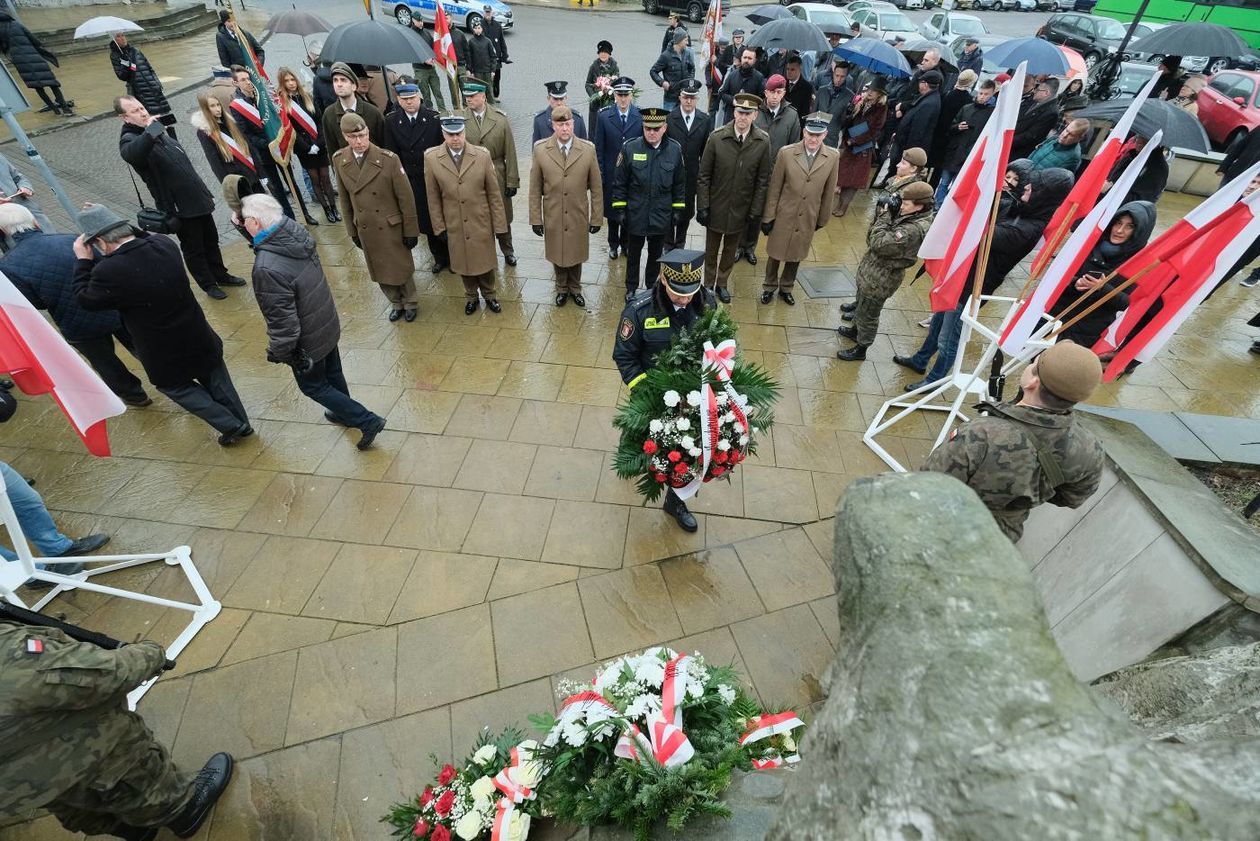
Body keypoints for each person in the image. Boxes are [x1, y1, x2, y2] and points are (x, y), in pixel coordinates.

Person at [0, 605, 233, 841]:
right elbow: (105, 675)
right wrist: (150, 654)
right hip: (68, 753)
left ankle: (133, 830)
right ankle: (182, 810)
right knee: (121, 765)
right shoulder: (10, 651)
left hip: (14, 785)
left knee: (65, 801)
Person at [72, 204, 252, 445]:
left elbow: (85, 299)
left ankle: (231, 424)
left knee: (176, 388)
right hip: (197, 333)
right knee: (217, 378)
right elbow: (143, 236)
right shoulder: (163, 244)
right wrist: (108, 217)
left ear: (101, 243)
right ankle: (244, 424)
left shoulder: (108, 271)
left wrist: (83, 261)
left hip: (162, 349)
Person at [897, 167, 1075, 390]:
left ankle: (935, 381)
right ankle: (920, 360)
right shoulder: (1020, 207)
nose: (1027, 186)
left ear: (1044, 195)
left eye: (1035, 186)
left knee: (949, 337)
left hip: (974, 285)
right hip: (962, 276)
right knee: (938, 322)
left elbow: (980, 235)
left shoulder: (1029, 228)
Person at [240, 193, 387, 450]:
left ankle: (366, 420)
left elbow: (282, 321)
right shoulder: (293, 233)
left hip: (306, 341)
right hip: (325, 322)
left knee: (314, 386)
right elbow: (265, 241)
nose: (243, 224)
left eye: (245, 220)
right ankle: (344, 412)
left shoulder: (265, 269)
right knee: (333, 372)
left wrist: (281, 352)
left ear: (255, 222)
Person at [922, 341, 1106, 543]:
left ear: (1032, 382)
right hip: (1001, 539)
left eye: (1033, 363)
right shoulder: (1091, 449)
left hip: (945, 528)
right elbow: (1071, 498)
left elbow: (926, 485)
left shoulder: (981, 434)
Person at [0, 205, 151, 408]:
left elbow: (33, 303)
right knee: (141, 345)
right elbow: (103, 266)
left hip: (76, 325)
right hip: (111, 308)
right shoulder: (72, 239)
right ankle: (170, 376)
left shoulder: (8, 266)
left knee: (106, 363)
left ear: (3, 231)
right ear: (35, 222)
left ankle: (136, 396)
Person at [612, 249, 716, 533]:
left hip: (690, 397)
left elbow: (715, 345)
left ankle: (675, 500)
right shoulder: (639, 310)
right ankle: (630, 454)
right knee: (637, 433)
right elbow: (624, 356)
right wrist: (646, 392)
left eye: (690, 292)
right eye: (678, 292)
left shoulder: (707, 304)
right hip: (650, 391)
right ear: (663, 279)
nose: (684, 299)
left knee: (684, 452)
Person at [116, 95, 244, 301]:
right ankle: (208, 284)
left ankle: (221, 274)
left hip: (196, 198)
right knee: (194, 249)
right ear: (124, 118)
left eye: (142, 107)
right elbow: (133, 154)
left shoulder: (155, 130)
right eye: (135, 111)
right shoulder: (129, 139)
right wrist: (150, 130)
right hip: (179, 206)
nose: (142, 112)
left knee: (211, 240)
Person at [332, 113, 421, 322]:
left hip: (390, 225)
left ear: (368, 132)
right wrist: (351, 231)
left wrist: (411, 230)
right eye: (354, 137)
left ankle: (410, 301)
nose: (360, 141)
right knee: (379, 267)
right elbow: (345, 200)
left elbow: (406, 198)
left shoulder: (388, 159)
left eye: (363, 135)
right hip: (366, 226)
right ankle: (395, 302)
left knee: (400, 265)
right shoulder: (340, 160)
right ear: (345, 136)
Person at [836, 180, 936, 361]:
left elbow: (877, 243)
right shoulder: (910, 215)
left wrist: (885, 216)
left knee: (869, 314)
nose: (902, 206)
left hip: (882, 278)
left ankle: (861, 348)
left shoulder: (912, 230)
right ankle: (855, 331)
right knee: (862, 304)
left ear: (919, 206)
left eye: (906, 204)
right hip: (873, 271)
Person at [426, 113, 507, 315]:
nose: (455, 139)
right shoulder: (432, 158)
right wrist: (439, 226)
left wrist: (498, 225)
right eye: (450, 134)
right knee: (463, 263)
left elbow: (494, 194)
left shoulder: (482, 155)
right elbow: (433, 197)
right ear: (443, 134)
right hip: (454, 223)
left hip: (480, 220)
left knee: (485, 262)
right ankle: (471, 296)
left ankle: (490, 295)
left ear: (464, 133)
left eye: (459, 134)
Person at [696, 92, 771, 303]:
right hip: (716, 206)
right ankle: (708, 284)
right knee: (711, 250)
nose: (743, 117)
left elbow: (763, 180)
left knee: (730, 250)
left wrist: (756, 210)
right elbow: (704, 175)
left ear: (755, 115)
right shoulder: (717, 137)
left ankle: (722, 283)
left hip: (741, 208)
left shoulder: (762, 142)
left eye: (748, 113)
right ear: (734, 112)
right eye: (740, 112)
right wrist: (702, 205)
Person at [1050, 201, 1156, 349]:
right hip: (1056, 317)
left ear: (1139, 231)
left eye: (1129, 226)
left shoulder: (1141, 263)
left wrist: (1103, 289)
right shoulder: (1088, 243)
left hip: (1088, 329)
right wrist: (1076, 282)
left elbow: (1131, 303)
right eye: (1118, 223)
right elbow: (1056, 276)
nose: (1119, 230)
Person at [761, 113, 839, 305]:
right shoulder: (786, 153)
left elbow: (829, 191)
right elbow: (775, 187)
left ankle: (787, 286)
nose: (813, 139)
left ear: (825, 135)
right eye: (810, 134)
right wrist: (769, 216)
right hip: (784, 213)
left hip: (809, 215)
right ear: (804, 132)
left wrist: (822, 218)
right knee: (775, 252)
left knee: (796, 253)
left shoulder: (833, 156)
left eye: (818, 135)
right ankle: (769, 286)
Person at [529, 105, 603, 308]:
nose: (565, 129)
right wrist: (536, 218)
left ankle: (576, 288)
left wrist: (596, 218)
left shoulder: (587, 150)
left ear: (574, 124)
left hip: (578, 212)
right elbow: (535, 187)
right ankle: (562, 288)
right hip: (553, 212)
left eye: (568, 124)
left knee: (576, 252)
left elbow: (596, 187)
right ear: (553, 125)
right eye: (560, 125)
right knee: (557, 251)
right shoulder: (541, 149)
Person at [612, 107, 687, 302]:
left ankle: (651, 287)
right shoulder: (630, 148)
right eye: (647, 128)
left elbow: (679, 183)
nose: (651, 133)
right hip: (636, 213)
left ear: (664, 128)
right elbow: (620, 182)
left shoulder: (674, 150)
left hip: (661, 214)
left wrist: (678, 209)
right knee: (633, 254)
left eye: (656, 128)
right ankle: (631, 288)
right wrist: (619, 209)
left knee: (655, 255)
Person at [229, 65, 314, 225]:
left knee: (292, 183)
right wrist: (268, 144)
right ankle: (291, 219)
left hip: (280, 148)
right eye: (243, 80)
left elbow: (278, 116)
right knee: (278, 189)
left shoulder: (262, 96)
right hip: (264, 154)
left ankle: (305, 214)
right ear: (236, 83)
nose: (248, 82)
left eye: (248, 78)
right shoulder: (237, 106)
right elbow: (246, 134)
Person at [384, 78, 447, 274]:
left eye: (412, 97)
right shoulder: (392, 121)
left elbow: (441, 151)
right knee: (426, 222)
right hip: (411, 181)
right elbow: (391, 153)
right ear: (398, 100)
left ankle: (451, 257)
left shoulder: (434, 118)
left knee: (440, 218)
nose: (409, 102)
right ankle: (439, 258)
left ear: (419, 95)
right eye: (405, 99)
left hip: (432, 178)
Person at [743, 76, 801, 266]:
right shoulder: (755, 112)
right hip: (751, 171)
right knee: (744, 209)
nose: (775, 96)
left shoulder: (792, 116)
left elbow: (794, 148)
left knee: (760, 212)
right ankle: (738, 245)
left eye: (779, 92)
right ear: (765, 92)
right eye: (771, 92)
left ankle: (750, 246)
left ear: (784, 93)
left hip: (775, 174)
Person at [461, 77, 519, 266]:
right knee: (479, 217)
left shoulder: (500, 120)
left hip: (497, 174)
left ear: (483, 96)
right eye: (466, 96)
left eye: (473, 95)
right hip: (472, 176)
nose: (469, 99)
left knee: (502, 216)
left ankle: (508, 250)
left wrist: (512, 181)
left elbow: (510, 151)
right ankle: (486, 252)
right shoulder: (461, 120)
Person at [275, 67, 336, 223]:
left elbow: (319, 120)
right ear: (282, 83)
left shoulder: (307, 97)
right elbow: (290, 130)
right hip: (304, 149)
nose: (291, 83)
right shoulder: (283, 105)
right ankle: (326, 210)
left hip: (319, 144)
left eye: (292, 79)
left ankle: (334, 208)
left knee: (325, 178)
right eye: (287, 81)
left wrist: (319, 142)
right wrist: (307, 147)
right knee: (315, 179)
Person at [594, 76, 643, 260]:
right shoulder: (604, 116)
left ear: (631, 96)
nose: (623, 99)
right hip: (611, 173)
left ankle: (626, 244)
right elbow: (598, 147)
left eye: (626, 95)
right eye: (619, 95)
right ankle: (613, 244)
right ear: (614, 95)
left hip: (632, 175)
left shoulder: (639, 116)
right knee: (613, 213)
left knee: (629, 212)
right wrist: (600, 174)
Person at [664, 79, 711, 251]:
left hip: (691, 176)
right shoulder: (669, 118)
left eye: (692, 97)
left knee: (686, 211)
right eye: (685, 97)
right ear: (680, 97)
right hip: (670, 176)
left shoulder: (705, 120)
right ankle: (668, 243)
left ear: (697, 99)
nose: (689, 101)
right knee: (669, 210)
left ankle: (681, 243)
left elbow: (706, 152)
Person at [833, 77, 888, 218]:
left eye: (874, 91)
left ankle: (843, 207)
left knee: (853, 181)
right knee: (844, 177)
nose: (869, 92)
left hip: (862, 148)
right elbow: (848, 122)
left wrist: (855, 140)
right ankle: (839, 205)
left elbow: (875, 131)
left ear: (880, 94)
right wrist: (849, 112)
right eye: (869, 89)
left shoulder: (881, 108)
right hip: (849, 144)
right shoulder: (861, 103)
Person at [935, 79, 996, 207]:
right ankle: (937, 206)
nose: (982, 97)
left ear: (992, 94)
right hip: (954, 152)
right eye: (980, 93)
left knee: (957, 186)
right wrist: (957, 127)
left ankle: (946, 209)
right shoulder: (967, 108)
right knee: (944, 182)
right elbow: (951, 127)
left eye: (986, 94)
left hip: (969, 155)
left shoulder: (992, 114)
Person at [0, 10, 73, 116]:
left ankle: (55, 111)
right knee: (53, 84)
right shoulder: (16, 24)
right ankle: (66, 109)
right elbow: (34, 39)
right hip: (35, 56)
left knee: (38, 87)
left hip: (20, 61)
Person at [109, 34, 173, 137]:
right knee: (151, 119)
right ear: (114, 40)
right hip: (140, 91)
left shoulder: (135, 51)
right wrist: (125, 64)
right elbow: (122, 76)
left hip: (152, 87)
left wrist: (157, 83)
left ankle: (173, 141)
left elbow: (149, 68)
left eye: (123, 35)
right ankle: (157, 141)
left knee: (166, 117)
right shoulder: (115, 55)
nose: (123, 38)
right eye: (118, 36)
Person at [190, 91, 257, 186]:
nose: (218, 109)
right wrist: (228, 186)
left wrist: (261, 172)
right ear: (205, 109)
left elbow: (249, 146)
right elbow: (215, 163)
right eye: (212, 106)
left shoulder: (230, 122)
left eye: (218, 105)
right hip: (237, 181)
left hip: (252, 173)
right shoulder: (205, 132)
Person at [320, 62, 385, 157]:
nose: (339, 84)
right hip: (347, 167)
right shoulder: (329, 114)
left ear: (354, 86)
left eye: (343, 80)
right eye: (335, 80)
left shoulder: (372, 111)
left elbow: (384, 144)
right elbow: (332, 149)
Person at [888, 70, 941, 178]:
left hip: (908, 148)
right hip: (903, 142)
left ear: (925, 84)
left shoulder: (930, 103)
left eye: (920, 82)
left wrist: (908, 153)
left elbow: (918, 130)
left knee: (899, 174)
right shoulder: (927, 97)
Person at [929, 69, 976, 184]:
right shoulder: (969, 101)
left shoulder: (947, 94)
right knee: (939, 169)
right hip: (951, 137)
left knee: (929, 162)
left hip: (937, 133)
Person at [0, 151, 55, 244]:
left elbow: (18, 177)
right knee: (29, 255)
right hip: (7, 227)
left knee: (54, 244)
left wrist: (25, 187)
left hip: (31, 214)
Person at [1104, 134, 1168, 205]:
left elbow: (1141, 200)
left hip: (1119, 209)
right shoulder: (1132, 154)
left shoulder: (1158, 168)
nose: (1139, 143)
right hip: (1107, 202)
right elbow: (1113, 177)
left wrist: (1109, 191)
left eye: (1145, 141)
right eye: (1139, 138)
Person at [1010, 78, 1061, 160]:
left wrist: (1008, 140)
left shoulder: (1051, 113)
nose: (1034, 91)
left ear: (1046, 93)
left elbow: (1031, 136)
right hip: (1011, 144)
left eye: (1037, 90)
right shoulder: (1033, 101)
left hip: (1018, 152)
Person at [717, 46, 766, 125]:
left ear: (754, 60)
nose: (746, 60)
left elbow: (762, 98)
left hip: (749, 119)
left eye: (750, 58)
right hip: (731, 118)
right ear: (741, 58)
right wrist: (733, 101)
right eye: (745, 57)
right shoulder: (732, 75)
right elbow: (722, 93)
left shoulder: (759, 77)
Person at [650, 31, 696, 113]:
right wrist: (662, 82)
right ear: (679, 40)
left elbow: (692, 68)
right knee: (669, 121)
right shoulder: (666, 56)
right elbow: (653, 71)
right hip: (671, 98)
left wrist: (690, 80)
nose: (687, 42)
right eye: (685, 40)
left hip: (684, 96)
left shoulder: (687, 53)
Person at [815, 60, 857, 148]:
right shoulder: (822, 90)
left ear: (846, 77)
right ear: (833, 74)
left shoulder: (850, 96)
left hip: (831, 140)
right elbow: (813, 112)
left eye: (842, 76)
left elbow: (844, 123)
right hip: (815, 135)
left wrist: (848, 113)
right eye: (837, 75)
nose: (838, 79)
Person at [531, 80, 588, 145]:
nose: (559, 103)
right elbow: (536, 150)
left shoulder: (577, 119)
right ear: (548, 98)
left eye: (561, 99)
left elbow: (584, 147)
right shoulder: (540, 121)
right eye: (555, 99)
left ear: (566, 98)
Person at [410, 18, 447, 111]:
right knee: (426, 94)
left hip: (431, 68)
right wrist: (424, 60)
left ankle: (443, 112)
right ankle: (430, 112)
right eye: (418, 21)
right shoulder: (411, 34)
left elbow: (433, 47)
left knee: (437, 91)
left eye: (421, 21)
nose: (421, 23)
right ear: (413, 21)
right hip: (420, 70)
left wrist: (434, 57)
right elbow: (412, 51)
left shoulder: (426, 32)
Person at [585, 40, 619, 130]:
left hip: (609, 102)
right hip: (596, 103)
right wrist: (593, 96)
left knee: (609, 128)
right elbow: (588, 84)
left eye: (605, 52)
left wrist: (610, 93)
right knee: (594, 128)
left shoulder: (614, 67)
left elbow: (616, 83)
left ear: (609, 54)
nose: (603, 55)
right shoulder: (593, 66)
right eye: (601, 52)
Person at [466, 21, 500, 102]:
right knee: (479, 92)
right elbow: (469, 58)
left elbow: (493, 57)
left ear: (482, 29)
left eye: (479, 28)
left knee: (489, 91)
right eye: (475, 28)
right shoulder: (471, 42)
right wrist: (470, 70)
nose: (477, 30)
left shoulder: (487, 41)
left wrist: (493, 71)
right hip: (477, 72)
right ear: (473, 30)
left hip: (487, 71)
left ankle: (492, 108)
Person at [482, 5, 510, 100]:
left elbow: (502, 41)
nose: (488, 13)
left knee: (497, 77)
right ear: (483, 13)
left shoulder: (497, 25)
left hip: (496, 58)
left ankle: (496, 95)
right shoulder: (480, 25)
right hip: (485, 58)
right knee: (485, 78)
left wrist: (505, 55)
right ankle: (486, 96)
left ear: (492, 13)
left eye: (489, 12)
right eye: (486, 12)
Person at [783, 54, 814, 119]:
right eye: (787, 69)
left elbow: (805, 111)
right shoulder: (782, 82)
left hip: (796, 121)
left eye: (792, 70)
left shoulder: (807, 87)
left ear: (800, 69)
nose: (789, 72)